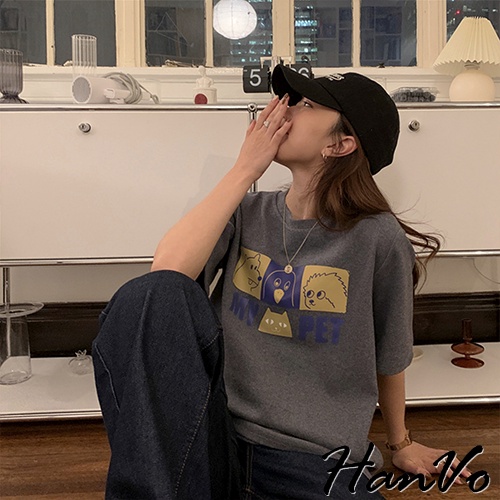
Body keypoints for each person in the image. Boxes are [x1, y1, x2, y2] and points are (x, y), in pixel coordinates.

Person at [92, 65, 471, 499]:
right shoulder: (247, 212)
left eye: (305, 104)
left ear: (340, 144)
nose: (283, 110)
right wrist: (243, 170)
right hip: (214, 439)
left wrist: (400, 444)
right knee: (143, 298)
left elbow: (391, 355)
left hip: (313, 458)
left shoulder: (378, 239)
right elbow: (166, 278)